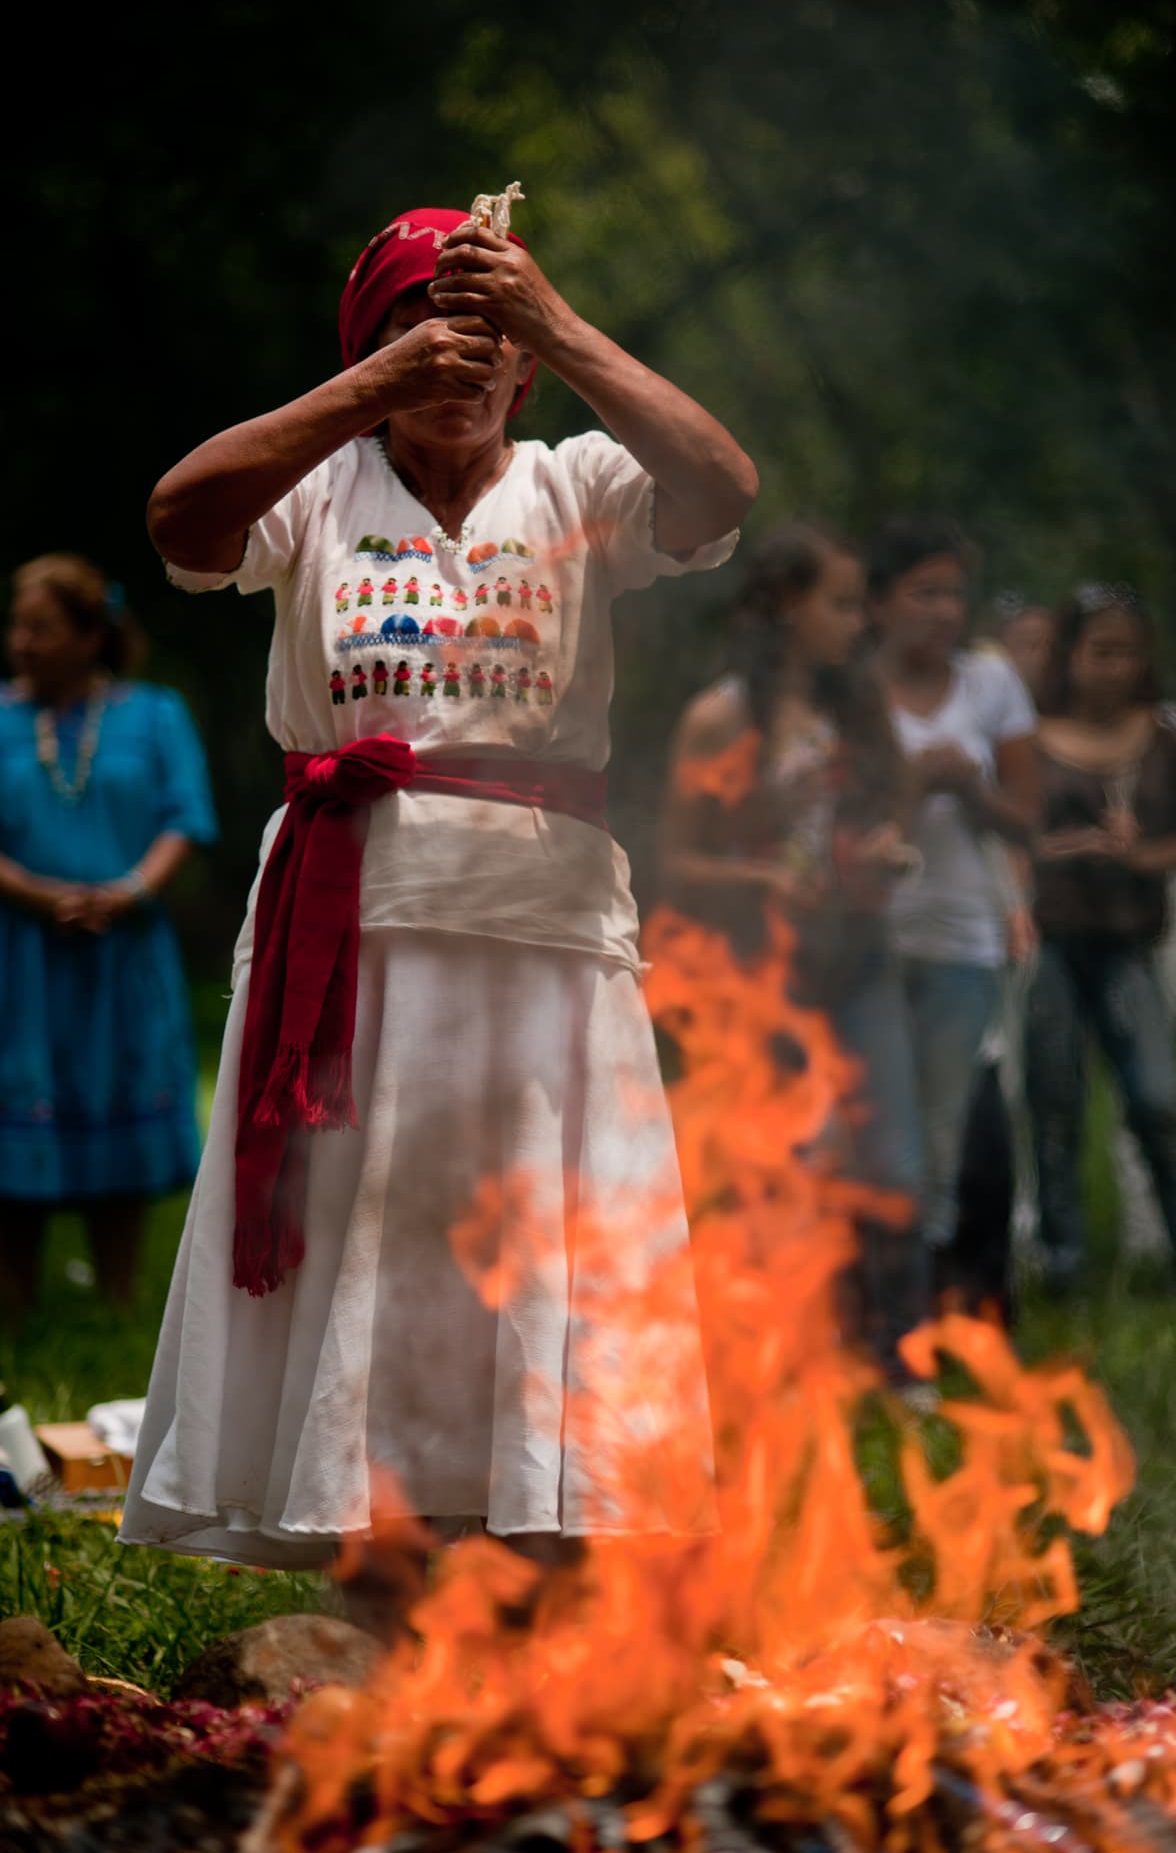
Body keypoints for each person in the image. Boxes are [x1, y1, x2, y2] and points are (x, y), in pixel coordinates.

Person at [119, 201, 757, 1568]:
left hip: (547, 927)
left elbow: (722, 488)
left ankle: (542, 1523)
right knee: (367, 1221)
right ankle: (366, 1532)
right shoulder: (318, 489)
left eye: (484, 338)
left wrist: (553, 320)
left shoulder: (577, 484)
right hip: (352, 918)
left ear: (523, 364)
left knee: (546, 1218)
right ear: (374, 350)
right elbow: (180, 518)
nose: (457, 362)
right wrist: (372, 387)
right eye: (422, 332)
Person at [659, 522, 927, 1374]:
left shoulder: (860, 709)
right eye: (840, 603)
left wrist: (886, 848)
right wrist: (762, 876)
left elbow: (895, 809)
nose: (860, 621)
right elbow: (674, 860)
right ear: (784, 605)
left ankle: (896, 1354)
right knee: (780, 1164)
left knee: (892, 1159)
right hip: (763, 969)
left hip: (860, 954)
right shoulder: (721, 718)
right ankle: (788, 1357)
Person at [0, 554, 216, 1312]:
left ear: (91, 635)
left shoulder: (154, 715)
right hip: (17, 954)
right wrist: (39, 896)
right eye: (17, 626)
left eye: (40, 628)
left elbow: (186, 817)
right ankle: (15, 1304)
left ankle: (118, 1303)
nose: (20, 642)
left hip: (124, 948)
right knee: (17, 1096)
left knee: (120, 1087)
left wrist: (127, 893)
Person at [1026, 584, 1176, 1295]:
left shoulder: (1164, 735)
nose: (1117, 667)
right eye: (1102, 651)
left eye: (1130, 653)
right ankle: (1064, 1270)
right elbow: (1009, 835)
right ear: (1070, 653)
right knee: (1055, 1107)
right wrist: (1067, 847)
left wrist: (1143, 855)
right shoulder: (1029, 733)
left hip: (1131, 943)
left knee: (1158, 1103)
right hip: (1052, 942)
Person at [868, 518, 1040, 1270]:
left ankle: (933, 1289)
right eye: (924, 593)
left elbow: (1028, 817)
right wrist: (908, 788)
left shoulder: (990, 683)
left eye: (954, 595)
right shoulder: (852, 689)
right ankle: (872, 1288)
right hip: (869, 938)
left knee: (946, 1126)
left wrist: (973, 791)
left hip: (964, 938)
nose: (943, 611)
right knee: (876, 1124)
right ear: (878, 601)